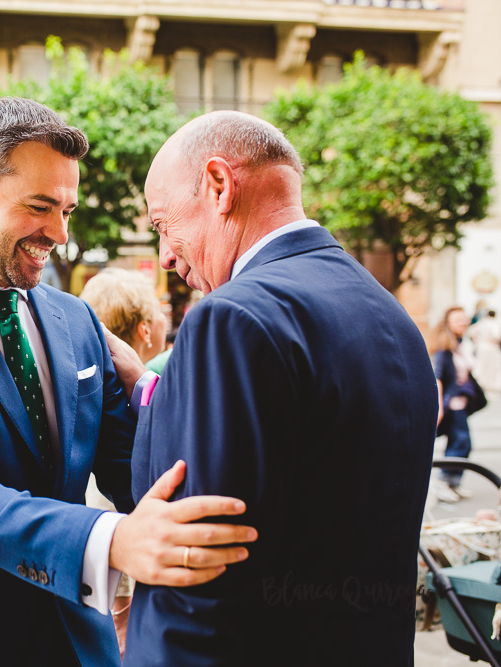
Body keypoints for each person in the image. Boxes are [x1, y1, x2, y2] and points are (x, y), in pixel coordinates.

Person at [0, 97, 256, 666]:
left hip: (78, 639)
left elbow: (131, 465)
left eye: (67, 209)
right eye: (40, 207)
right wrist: (112, 542)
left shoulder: (76, 317)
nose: (58, 233)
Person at [106, 110, 438, 665]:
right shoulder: (390, 315)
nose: (164, 254)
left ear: (219, 186)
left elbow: (196, 572)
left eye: (164, 224)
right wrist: (152, 389)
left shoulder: (230, 318)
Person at [78, 267, 169, 652]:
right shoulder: (163, 368)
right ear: (145, 330)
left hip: (98, 513)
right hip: (124, 519)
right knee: (125, 620)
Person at [432, 306, 480, 501]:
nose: (463, 322)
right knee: (460, 443)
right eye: (458, 319)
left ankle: (453, 483)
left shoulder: (460, 345)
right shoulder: (443, 348)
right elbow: (437, 378)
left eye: (464, 318)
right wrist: (439, 407)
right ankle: (443, 482)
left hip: (460, 403)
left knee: (461, 443)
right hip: (452, 405)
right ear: (448, 324)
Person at [468, 307, 501, 394]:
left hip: (481, 346)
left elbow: (471, 331)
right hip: (491, 347)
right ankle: (490, 385)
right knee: (491, 366)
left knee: (482, 365)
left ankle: (481, 383)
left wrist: (477, 340)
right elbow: (497, 336)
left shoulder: (482, 322)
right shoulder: (494, 323)